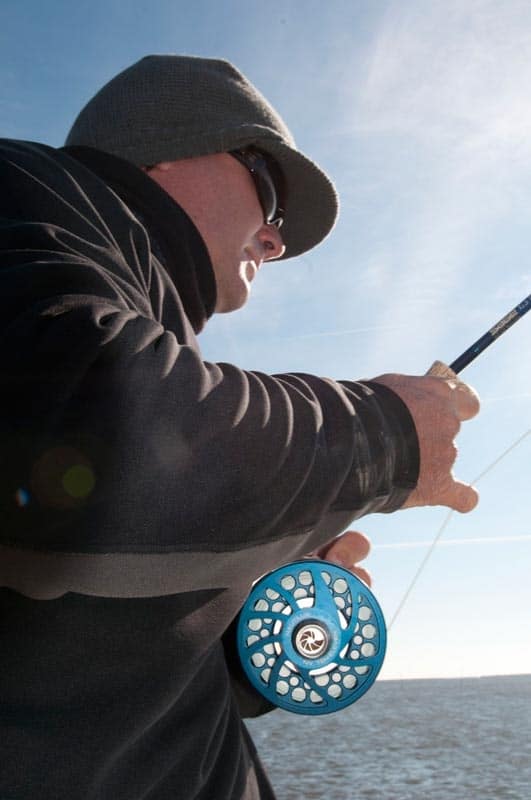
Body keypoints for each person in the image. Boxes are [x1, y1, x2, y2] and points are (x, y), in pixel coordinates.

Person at [0, 55, 479, 800]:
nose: (274, 239)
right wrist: (378, 436)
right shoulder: (22, 192)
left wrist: (233, 639)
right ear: (161, 150)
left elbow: (64, 654)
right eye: (268, 191)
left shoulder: (119, 296)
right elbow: (80, 431)